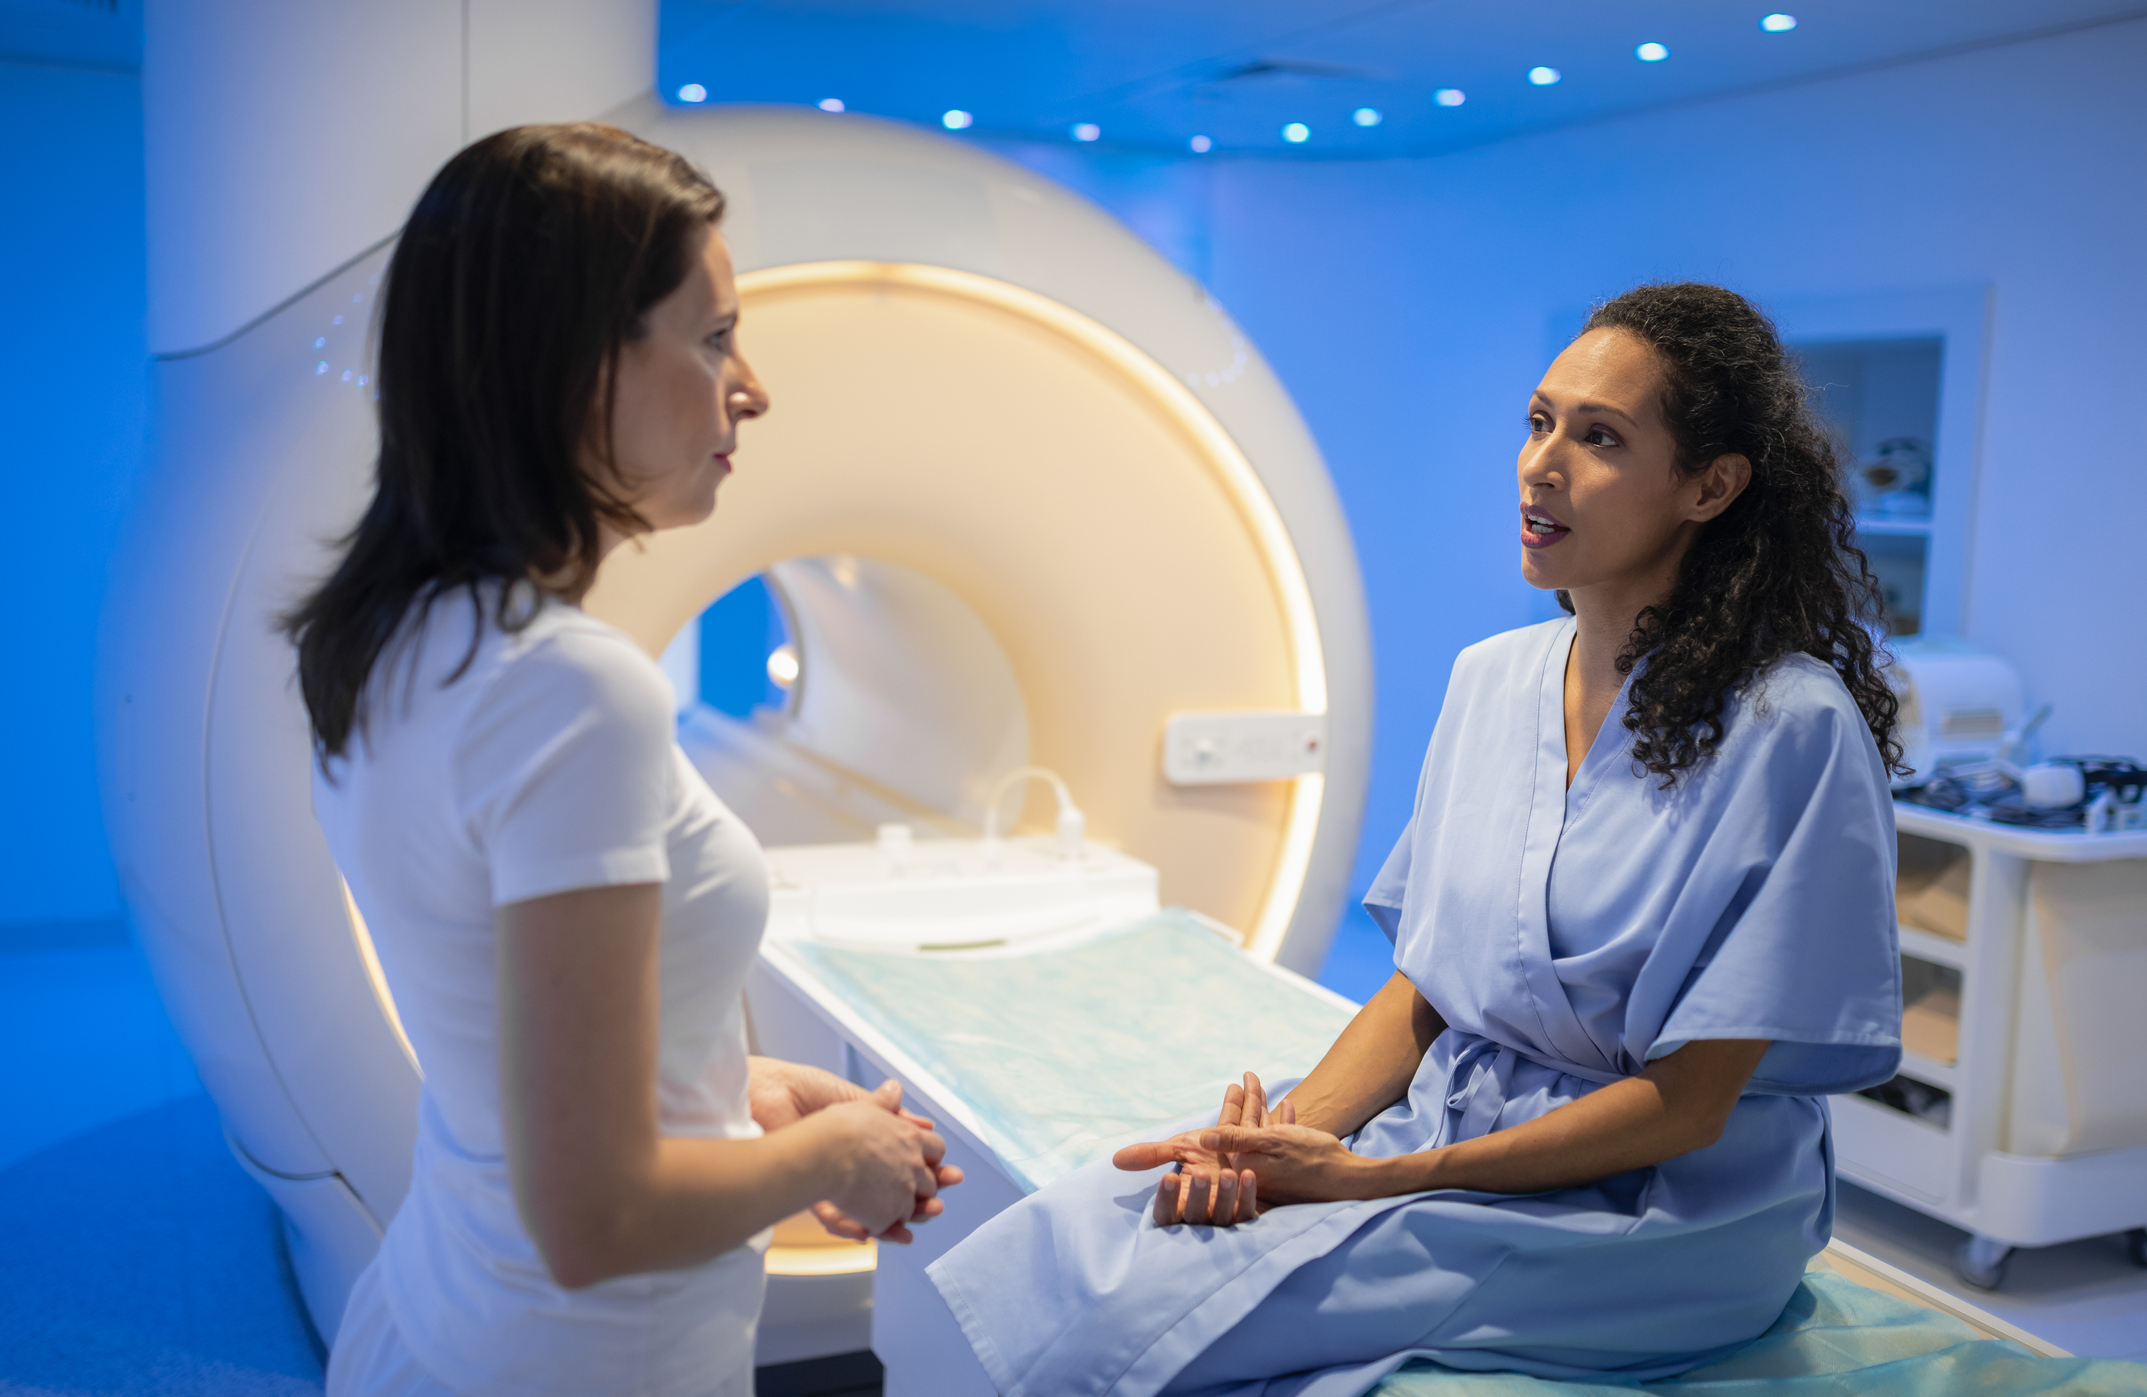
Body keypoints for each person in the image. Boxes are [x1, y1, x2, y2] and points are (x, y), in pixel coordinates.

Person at [927, 283, 1904, 1395]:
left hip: (1662, 1205)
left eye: (1599, 438)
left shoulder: (1788, 726)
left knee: (1161, 1312)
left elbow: (1689, 1104)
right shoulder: (1489, 682)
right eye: (1539, 422)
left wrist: (1372, 1183)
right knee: (1086, 1218)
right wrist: (1273, 1148)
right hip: (1454, 1126)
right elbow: (1418, 991)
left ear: (1709, 485)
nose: (1541, 464)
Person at [287, 124, 960, 1397]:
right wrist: (838, 1157)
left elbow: (501, 1029)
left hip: (440, 1311)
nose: (748, 388)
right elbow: (594, 1214)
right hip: (585, 1357)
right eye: (711, 339)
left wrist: (735, 1082)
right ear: (576, 368)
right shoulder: (571, 692)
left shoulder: (390, 638)